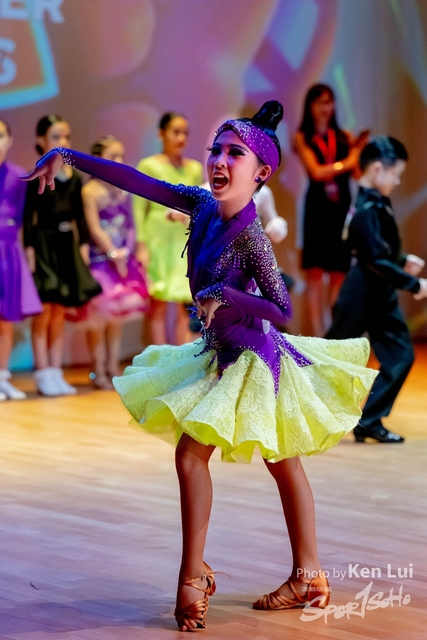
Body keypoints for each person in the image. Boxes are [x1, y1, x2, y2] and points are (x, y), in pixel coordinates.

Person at [22, 101, 377, 632]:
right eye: (216, 150)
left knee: (213, 457)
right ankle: (303, 575)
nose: (219, 160)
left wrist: (224, 294)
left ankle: (199, 577)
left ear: (261, 173)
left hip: (254, 357)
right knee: (272, 461)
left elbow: (281, 307)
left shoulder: (251, 235)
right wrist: (68, 156)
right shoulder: (203, 205)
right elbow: (138, 181)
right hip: (221, 352)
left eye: (235, 153)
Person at [326, 136, 427, 443]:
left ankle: (369, 420)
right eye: (396, 174)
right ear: (378, 169)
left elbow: (377, 249)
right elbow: (374, 258)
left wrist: (402, 260)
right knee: (332, 356)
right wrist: (413, 284)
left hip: (376, 291)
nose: (397, 181)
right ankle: (296, 408)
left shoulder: (373, 203)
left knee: (398, 354)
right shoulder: (367, 207)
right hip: (363, 291)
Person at [23, 115, 102, 396]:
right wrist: (30, 251)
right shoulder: (36, 175)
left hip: (67, 245)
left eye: (66, 136)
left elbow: (79, 217)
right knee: (44, 310)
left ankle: (55, 371)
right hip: (45, 245)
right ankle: (42, 371)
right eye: (56, 137)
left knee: (59, 312)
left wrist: (82, 246)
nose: (63, 142)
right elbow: (29, 217)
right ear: (41, 140)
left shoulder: (74, 178)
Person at [294, 84, 369, 336]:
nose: (325, 108)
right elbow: (316, 171)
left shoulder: (344, 137)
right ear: (310, 106)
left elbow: (356, 174)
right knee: (315, 275)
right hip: (317, 211)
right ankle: (317, 339)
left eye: (328, 102)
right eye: (319, 102)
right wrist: (347, 162)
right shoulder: (302, 137)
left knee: (339, 275)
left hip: (340, 211)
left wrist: (358, 154)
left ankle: (336, 337)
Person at [81, 136, 149, 389]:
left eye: (121, 156)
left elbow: (130, 225)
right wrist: (112, 253)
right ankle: (98, 368)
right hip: (100, 262)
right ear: (97, 159)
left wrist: (126, 251)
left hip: (122, 261)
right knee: (98, 319)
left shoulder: (123, 188)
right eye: (113, 156)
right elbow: (94, 228)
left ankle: (113, 367)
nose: (119, 161)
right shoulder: (89, 191)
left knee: (116, 318)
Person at [133, 112, 203, 345]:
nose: (181, 138)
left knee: (186, 301)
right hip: (158, 237)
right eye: (175, 132)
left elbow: (198, 205)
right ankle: (159, 358)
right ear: (161, 134)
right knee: (159, 301)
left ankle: (182, 356)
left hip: (184, 238)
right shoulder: (148, 165)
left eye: (185, 133)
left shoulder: (193, 168)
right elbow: (138, 207)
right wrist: (141, 244)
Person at [0, 119, 42, 401]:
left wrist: (27, 254)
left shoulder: (18, 176)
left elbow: (25, 219)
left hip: (8, 252)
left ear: (10, 140)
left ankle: (2, 376)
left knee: (6, 317)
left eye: (1, 135)